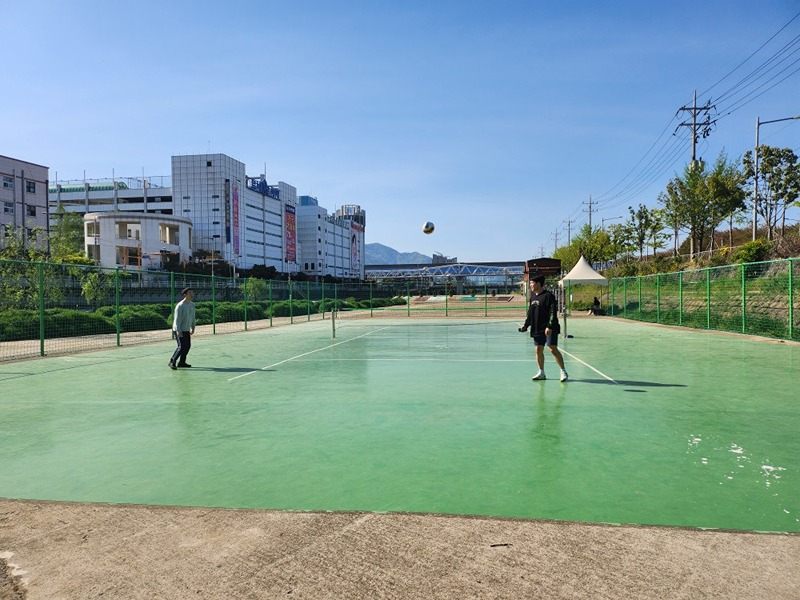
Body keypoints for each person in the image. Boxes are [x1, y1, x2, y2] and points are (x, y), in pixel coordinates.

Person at [518, 275, 568, 382]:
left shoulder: (549, 296)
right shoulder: (532, 297)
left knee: (552, 348)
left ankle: (563, 371)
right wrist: (526, 326)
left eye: (532, 283)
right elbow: (530, 314)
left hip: (550, 327)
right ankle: (541, 372)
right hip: (537, 328)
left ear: (538, 284)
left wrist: (549, 326)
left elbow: (552, 312)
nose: (530, 285)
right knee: (538, 350)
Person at [169, 287, 196, 370]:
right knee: (181, 346)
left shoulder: (192, 304)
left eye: (192, 293)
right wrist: (178, 331)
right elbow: (177, 320)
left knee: (187, 346)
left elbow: (192, 317)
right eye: (189, 293)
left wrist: (193, 327)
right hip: (178, 329)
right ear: (185, 295)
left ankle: (182, 362)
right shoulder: (180, 306)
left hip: (186, 329)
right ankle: (172, 362)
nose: (192, 294)